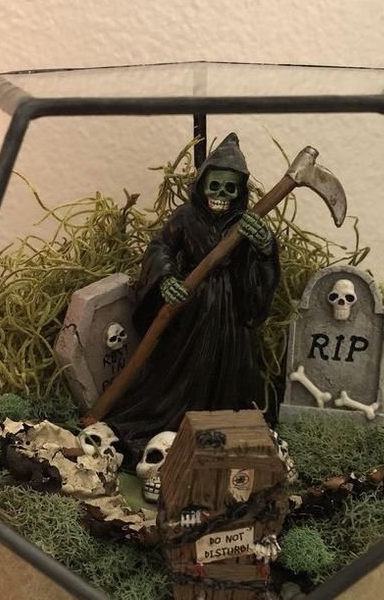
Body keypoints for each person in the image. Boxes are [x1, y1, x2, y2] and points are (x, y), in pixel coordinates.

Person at [107, 133, 280, 464]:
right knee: (178, 372)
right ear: (202, 185)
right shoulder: (186, 217)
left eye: (230, 189)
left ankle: (222, 434)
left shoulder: (247, 223)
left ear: (240, 191)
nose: (221, 195)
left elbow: (260, 274)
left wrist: (265, 250)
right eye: (215, 186)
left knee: (230, 376)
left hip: (231, 315)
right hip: (191, 309)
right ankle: (167, 431)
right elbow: (160, 247)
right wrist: (167, 278)